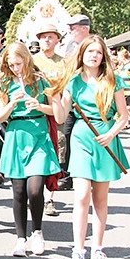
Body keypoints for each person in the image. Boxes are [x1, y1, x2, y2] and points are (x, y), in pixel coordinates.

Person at [50, 35, 129, 259]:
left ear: (103, 56)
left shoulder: (113, 81)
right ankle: (77, 253)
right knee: (81, 196)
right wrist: (54, 95)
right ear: (82, 55)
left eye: (98, 52)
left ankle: (98, 250)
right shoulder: (73, 82)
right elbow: (62, 117)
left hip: (105, 137)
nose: (94, 56)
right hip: (82, 138)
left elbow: (124, 116)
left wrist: (111, 134)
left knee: (100, 199)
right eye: (90, 52)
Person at [0, 42, 61, 257]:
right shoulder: (3, 83)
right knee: (19, 191)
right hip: (16, 135)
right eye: (11, 64)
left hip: (38, 134)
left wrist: (39, 106)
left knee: (35, 190)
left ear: (26, 59)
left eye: (18, 63)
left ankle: (38, 232)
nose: (16, 68)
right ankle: (20, 238)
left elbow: (56, 111)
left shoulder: (41, 81)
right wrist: (12, 104)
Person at [32, 23, 66, 217]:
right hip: (35, 113)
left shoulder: (64, 63)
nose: (47, 40)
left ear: (57, 40)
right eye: (43, 36)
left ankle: (50, 198)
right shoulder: (32, 61)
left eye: (51, 36)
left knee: (55, 151)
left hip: (56, 111)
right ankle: (35, 194)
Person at [58, 14, 92, 191]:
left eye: (74, 27)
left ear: (84, 28)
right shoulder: (70, 45)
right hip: (72, 98)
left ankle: (90, 173)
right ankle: (68, 174)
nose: (70, 31)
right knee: (68, 135)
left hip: (90, 100)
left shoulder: (95, 45)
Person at [115, 48, 130, 130]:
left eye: (119, 57)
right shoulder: (121, 67)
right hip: (123, 90)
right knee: (124, 107)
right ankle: (126, 123)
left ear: (123, 57)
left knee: (129, 107)